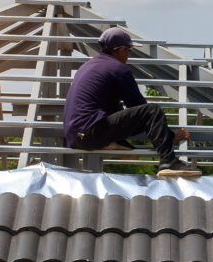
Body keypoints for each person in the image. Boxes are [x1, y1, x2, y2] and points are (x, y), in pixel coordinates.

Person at [63, 27, 201, 178]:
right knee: (152, 111)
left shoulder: (89, 66)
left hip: (75, 137)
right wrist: (168, 135)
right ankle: (169, 162)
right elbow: (139, 108)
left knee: (117, 107)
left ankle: (114, 142)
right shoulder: (118, 69)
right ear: (121, 50)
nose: (129, 54)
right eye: (129, 50)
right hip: (92, 132)